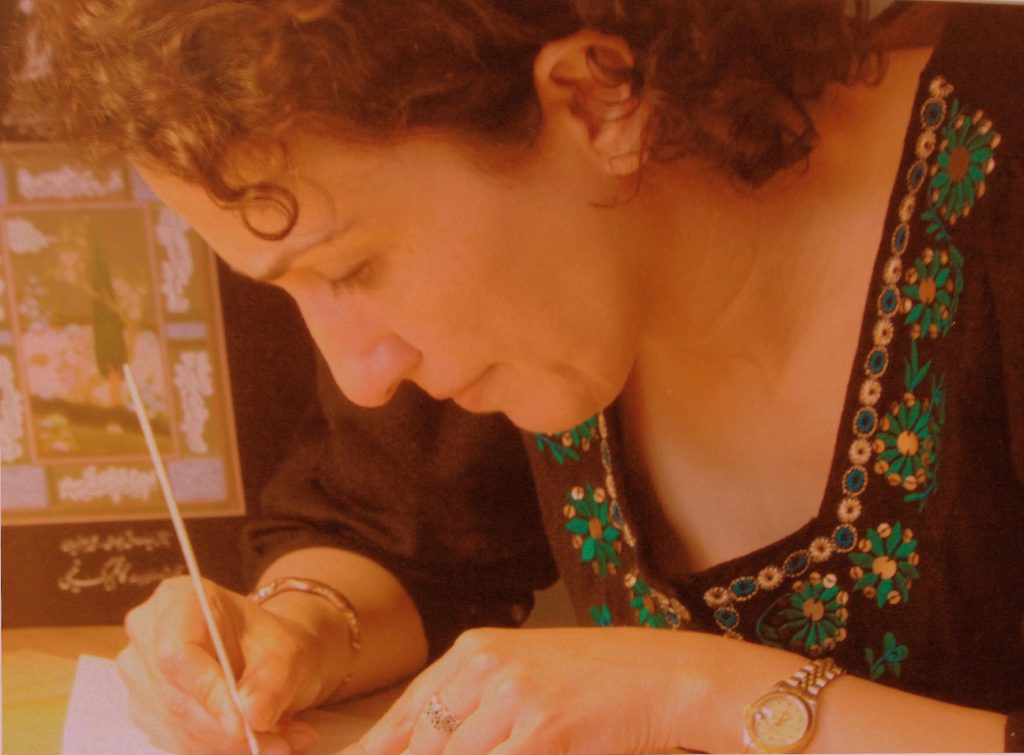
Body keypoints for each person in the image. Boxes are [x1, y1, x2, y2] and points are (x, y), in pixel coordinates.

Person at [11, 0, 1024, 752]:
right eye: (293, 291)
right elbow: (395, 529)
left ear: (593, 98)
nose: (362, 375)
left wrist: (691, 692)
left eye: (352, 268)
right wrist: (298, 629)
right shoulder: (549, 283)